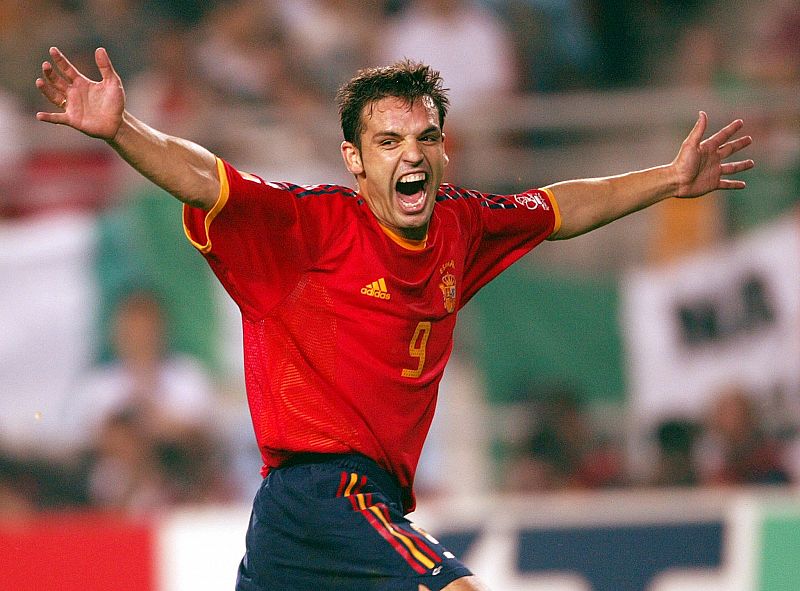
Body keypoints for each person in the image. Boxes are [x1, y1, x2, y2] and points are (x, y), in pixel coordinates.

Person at [35, 45, 753, 591]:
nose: (412, 154)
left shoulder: (462, 225)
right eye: (388, 142)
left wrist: (668, 179)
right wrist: (124, 130)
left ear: (442, 149)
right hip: (325, 491)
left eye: (426, 138)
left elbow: (560, 208)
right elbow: (205, 177)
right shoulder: (308, 228)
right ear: (354, 159)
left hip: (307, 519)